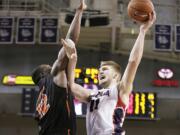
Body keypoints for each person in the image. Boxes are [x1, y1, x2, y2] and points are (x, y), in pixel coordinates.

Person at [61, 11, 156, 135]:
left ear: (116, 75)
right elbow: (71, 86)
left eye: (105, 69)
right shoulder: (92, 95)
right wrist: (72, 60)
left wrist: (142, 31)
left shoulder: (121, 89)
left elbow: (133, 61)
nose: (100, 71)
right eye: (100, 70)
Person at [31, 0, 87, 135]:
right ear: (45, 71)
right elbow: (70, 42)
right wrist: (79, 13)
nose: (51, 65)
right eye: (49, 65)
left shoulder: (41, 96)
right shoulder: (53, 76)